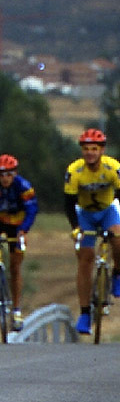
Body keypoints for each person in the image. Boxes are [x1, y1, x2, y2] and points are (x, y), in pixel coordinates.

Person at [64, 128, 120, 335]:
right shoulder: (75, 171)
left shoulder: (113, 168)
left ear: (102, 150)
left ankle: (117, 273)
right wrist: (76, 229)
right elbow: (69, 204)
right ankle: (85, 312)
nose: (90, 153)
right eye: (86, 149)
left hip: (108, 210)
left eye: (94, 149)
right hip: (84, 214)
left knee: (117, 238)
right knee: (85, 258)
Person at [0, 154, 38, 331]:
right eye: (1, 174)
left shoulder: (24, 186)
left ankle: (16, 311)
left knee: (15, 266)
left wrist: (23, 231)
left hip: (17, 223)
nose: (5, 178)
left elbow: (32, 210)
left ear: (15, 173)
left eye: (9, 174)